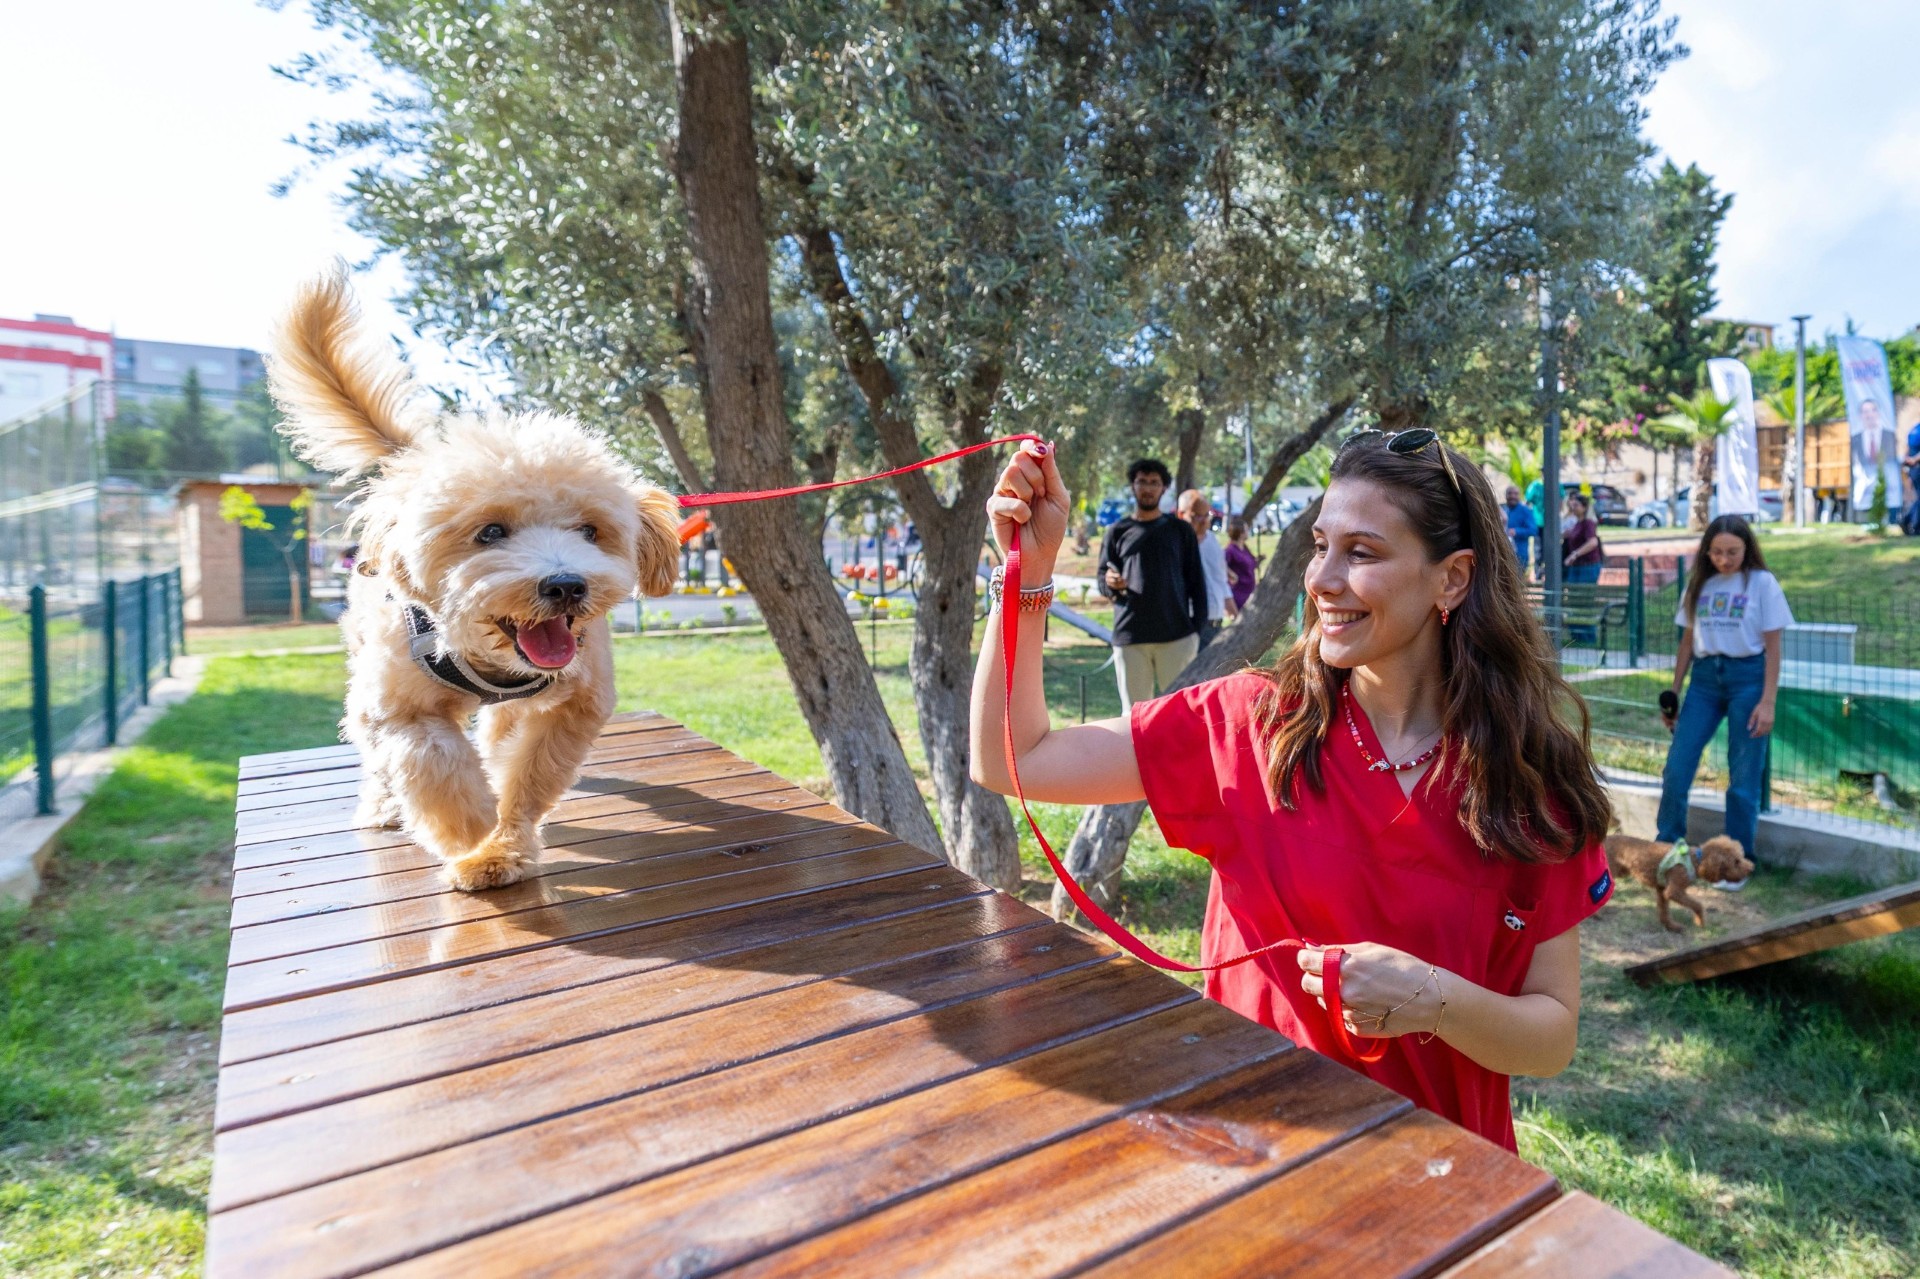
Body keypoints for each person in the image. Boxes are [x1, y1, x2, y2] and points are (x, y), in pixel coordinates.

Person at [971, 432, 1613, 1153]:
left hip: (1441, 1187)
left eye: (1362, 552)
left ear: (1452, 579)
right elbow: (1011, 757)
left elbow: (1552, 1035)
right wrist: (1026, 569)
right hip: (1248, 1160)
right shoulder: (1250, 723)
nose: (1322, 579)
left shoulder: (1529, 780)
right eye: (1319, 546)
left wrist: (1435, 1000)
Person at [1657, 515, 1792, 871]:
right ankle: (1666, 849)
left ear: (1747, 549)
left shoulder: (1762, 584)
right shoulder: (1700, 583)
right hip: (1703, 681)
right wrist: (1673, 692)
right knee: (1676, 767)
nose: (1724, 559)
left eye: (1732, 551)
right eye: (1716, 552)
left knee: (1743, 776)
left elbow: (1774, 648)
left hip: (1748, 678)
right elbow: (1687, 642)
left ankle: (1736, 862)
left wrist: (1768, 702)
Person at [1096, 459, 1207, 708]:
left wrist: (1195, 633)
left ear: (1164, 488)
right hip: (1131, 638)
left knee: (1182, 713)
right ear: (1133, 486)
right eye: (1142, 482)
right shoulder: (1117, 531)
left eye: (1154, 482)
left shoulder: (1180, 530)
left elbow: (1197, 584)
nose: (1147, 488)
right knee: (1133, 719)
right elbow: (1102, 578)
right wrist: (1109, 581)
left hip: (1177, 638)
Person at [1178, 488, 1232, 649]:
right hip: (1188, 624)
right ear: (1182, 515)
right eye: (1197, 516)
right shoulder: (1175, 543)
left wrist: (1234, 613)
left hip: (1215, 622)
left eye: (1207, 515)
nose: (1204, 521)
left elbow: (1221, 580)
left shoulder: (1212, 541)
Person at [1224, 514, 1259, 613]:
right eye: (1246, 530)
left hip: (1250, 592)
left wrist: (1258, 560)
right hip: (1239, 594)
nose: (1248, 532)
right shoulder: (1230, 550)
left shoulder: (1245, 548)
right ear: (1240, 533)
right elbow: (1221, 566)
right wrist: (1231, 574)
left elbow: (1251, 564)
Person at [1503, 485, 1539, 577]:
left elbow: (1533, 530)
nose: (1512, 496)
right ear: (1506, 495)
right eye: (1510, 493)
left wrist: (1516, 531)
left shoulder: (1525, 510)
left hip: (1519, 555)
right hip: (1503, 554)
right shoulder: (1503, 509)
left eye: (1515, 494)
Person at [1901, 415, 1920, 536]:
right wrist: (1914, 459)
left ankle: (1907, 521)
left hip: (1913, 469)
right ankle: (1911, 523)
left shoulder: (1914, 429)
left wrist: (1907, 461)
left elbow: (1907, 449)